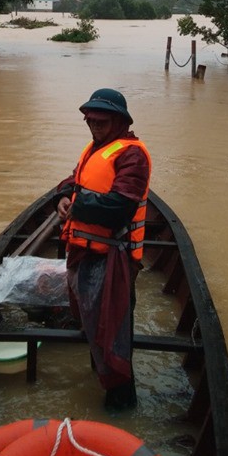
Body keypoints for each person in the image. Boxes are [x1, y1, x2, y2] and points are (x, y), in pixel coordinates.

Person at [56, 87, 151, 411]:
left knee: (113, 335)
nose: (94, 126)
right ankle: (102, 379)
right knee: (95, 325)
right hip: (85, 252)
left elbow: (120, 206)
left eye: (102, 121)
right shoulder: (96, 149)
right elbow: (75, 179)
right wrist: (65, 195)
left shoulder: (132, 155)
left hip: (113, 257)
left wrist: (79, 204)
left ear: (119, 121)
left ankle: (122, 407)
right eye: (90, 120)